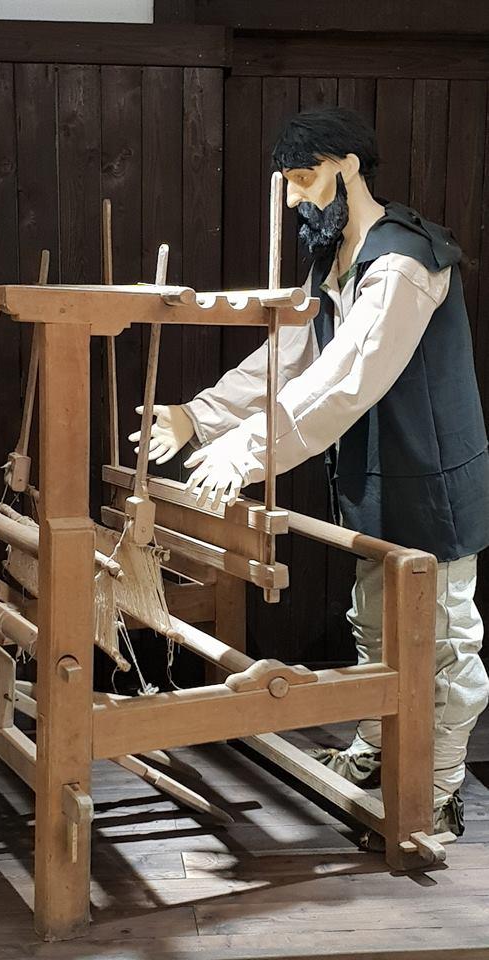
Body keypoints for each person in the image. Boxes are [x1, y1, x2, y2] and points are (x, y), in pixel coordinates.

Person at [129, 106, 489, 834]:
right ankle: (375, 750)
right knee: (377, 626)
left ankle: (438, 787)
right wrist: (198, 416)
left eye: (303, 179)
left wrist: (246, 450)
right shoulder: (335, 259)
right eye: (288, 183)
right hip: (375, 475)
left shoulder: (404, 260)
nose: (294, 198)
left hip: (434, 480)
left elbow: (346, 377)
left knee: (444, 643)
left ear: (347, 167)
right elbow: (292, 352)